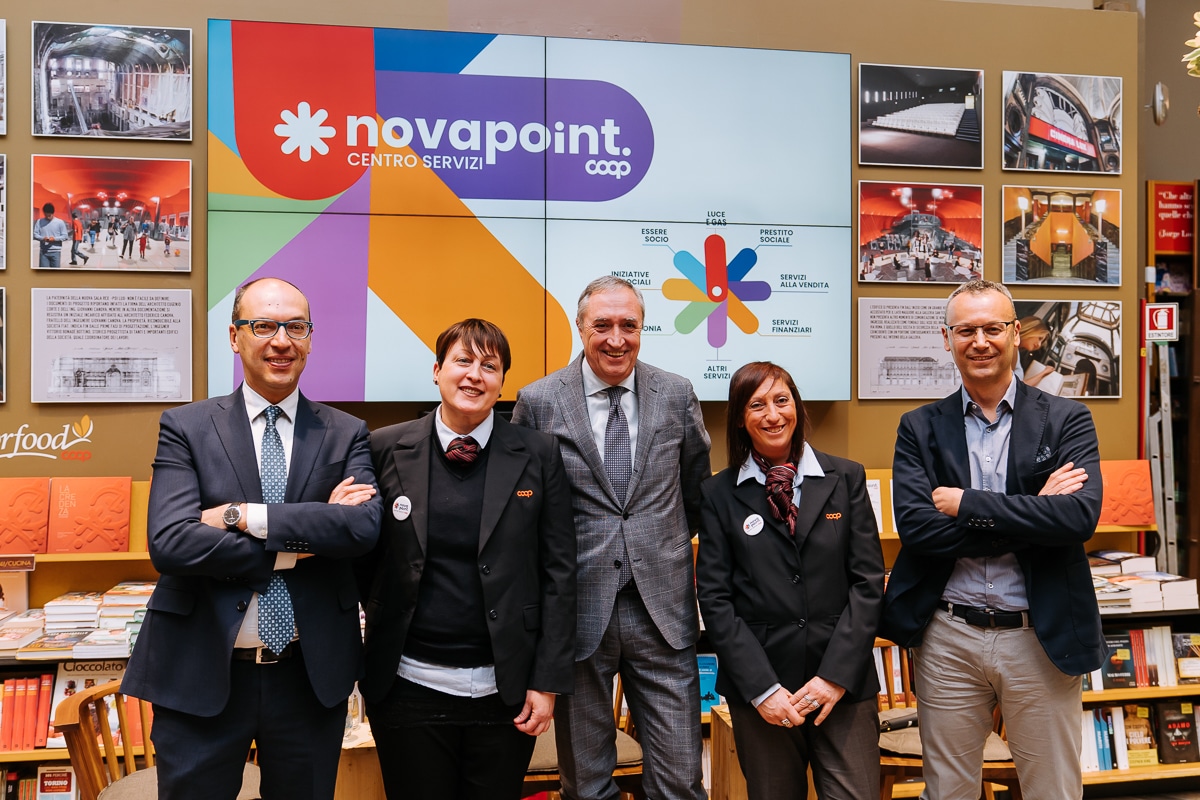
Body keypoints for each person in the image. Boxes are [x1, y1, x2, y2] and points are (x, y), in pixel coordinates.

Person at [123, 277, 383, 800]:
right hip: (200, 669)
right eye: (263, 326)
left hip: (308, 676)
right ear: (234, 336)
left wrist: (240, 516)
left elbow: (359, 529)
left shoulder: (346, 432)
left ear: (310, 338)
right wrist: (304, 537)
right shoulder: (187, 427)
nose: (281, 341)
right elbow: (171, 542)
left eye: (296, 327)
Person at [882, 279, 1105, 800]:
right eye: (966, 330)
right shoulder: (918, 428)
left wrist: (968, 505)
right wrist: (1034, 512)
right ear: (947, 339)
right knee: (948, 792)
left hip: (1039, 637)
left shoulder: (1067, 419)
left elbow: (1077, 519)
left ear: (1015, 333)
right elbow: (918, 529)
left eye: (992, 328)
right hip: (949, 638)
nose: (979, 341)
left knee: (1052, 791)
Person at [357, 318, 577, 800]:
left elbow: (560, 573)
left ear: (503, 382)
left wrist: (546, 682)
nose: (475, 375)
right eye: (462, 361)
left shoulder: (538, 454)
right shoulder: (384, 447)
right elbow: (364, 559)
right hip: (408, 684)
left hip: (507, 690)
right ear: (437, 370)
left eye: (490, 366)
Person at [513, 275, 712, 800]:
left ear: (643, 329)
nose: (616, 339)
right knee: (586, 784)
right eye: (602, 325)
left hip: (662, 611)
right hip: (578, 611)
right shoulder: (539, 401)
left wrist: (657, 546)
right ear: (580, 327)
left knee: (680, 780)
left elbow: (696, 491)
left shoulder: (676, 393)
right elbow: (523, 511)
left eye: (629, 325)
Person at [696, 361, 884, 800]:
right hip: (763, 691)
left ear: (797, 406)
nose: (773, 415)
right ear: (739, 418)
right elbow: (716, 599)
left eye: (782, 400)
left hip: (843, 686)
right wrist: (762, 689)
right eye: (757, 405)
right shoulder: (718, 494)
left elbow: (868, 583)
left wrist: (833, 677)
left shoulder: (846, 478)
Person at [1015, 315, 1055, 388]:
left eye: (1041, 342)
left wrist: (1044, 373)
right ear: (1031, 329)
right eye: (1039, 338)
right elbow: (1017, 387)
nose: (1039, 345)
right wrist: (1043, 373)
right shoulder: (1010, 349)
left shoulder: (1015, 352)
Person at [32, 203, 69, 268]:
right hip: (44, 252)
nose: (48, 217)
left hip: (56, 252)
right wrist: (42, 238)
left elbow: (65, 236)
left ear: (53, 213)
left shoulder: (60, 222)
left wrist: (54, 239)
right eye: (46, 215)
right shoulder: (39, 221)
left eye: (49, 215)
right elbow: (35, 234)